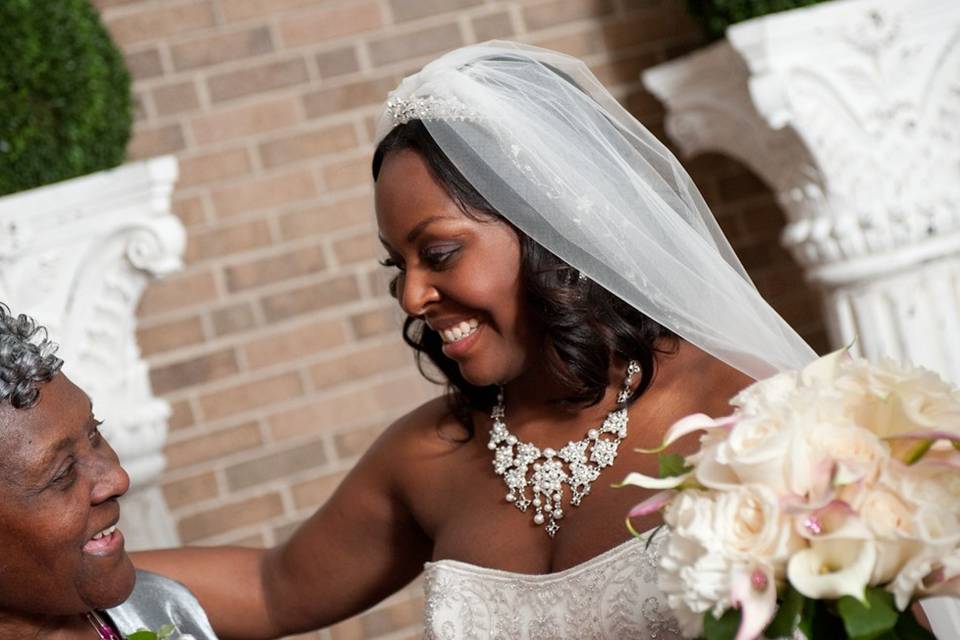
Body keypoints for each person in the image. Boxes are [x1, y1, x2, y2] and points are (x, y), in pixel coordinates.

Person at [133, 41, 816, 638]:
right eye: (397, 266)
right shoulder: (429, 456)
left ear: (550, 229)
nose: (410, 295)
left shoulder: (753, 413)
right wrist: (68, 570)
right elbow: (274, 588)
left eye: (439, 252)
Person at [0, 302, 216, 640]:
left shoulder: (162, 606)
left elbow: (279, 585)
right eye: (62, 474)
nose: (119, 479)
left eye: (94, 432)